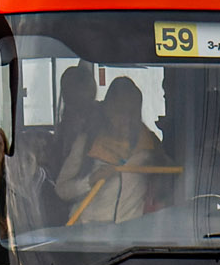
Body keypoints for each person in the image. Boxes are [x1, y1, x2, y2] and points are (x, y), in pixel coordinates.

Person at [55, 76, 167, 224]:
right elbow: (62, 190)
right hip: (89, 236)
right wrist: (89, 182)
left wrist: (155, 172)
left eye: (132, 112)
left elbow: (172, 178)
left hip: (133, 236)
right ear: (108, 110)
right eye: (120, 112)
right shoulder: (88, 142)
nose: (126, 119)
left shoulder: (150, 145)